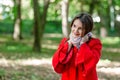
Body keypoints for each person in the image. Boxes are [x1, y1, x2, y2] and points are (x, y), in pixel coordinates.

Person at [52, 13, 102, 80]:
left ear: (87, 30)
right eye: (74, 26)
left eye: (80, 28)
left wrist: (83, 45)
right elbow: (57, 65)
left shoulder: (94, 44)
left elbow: (91, 63)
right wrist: (67, 46)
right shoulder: (65, 42)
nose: (75, 31)